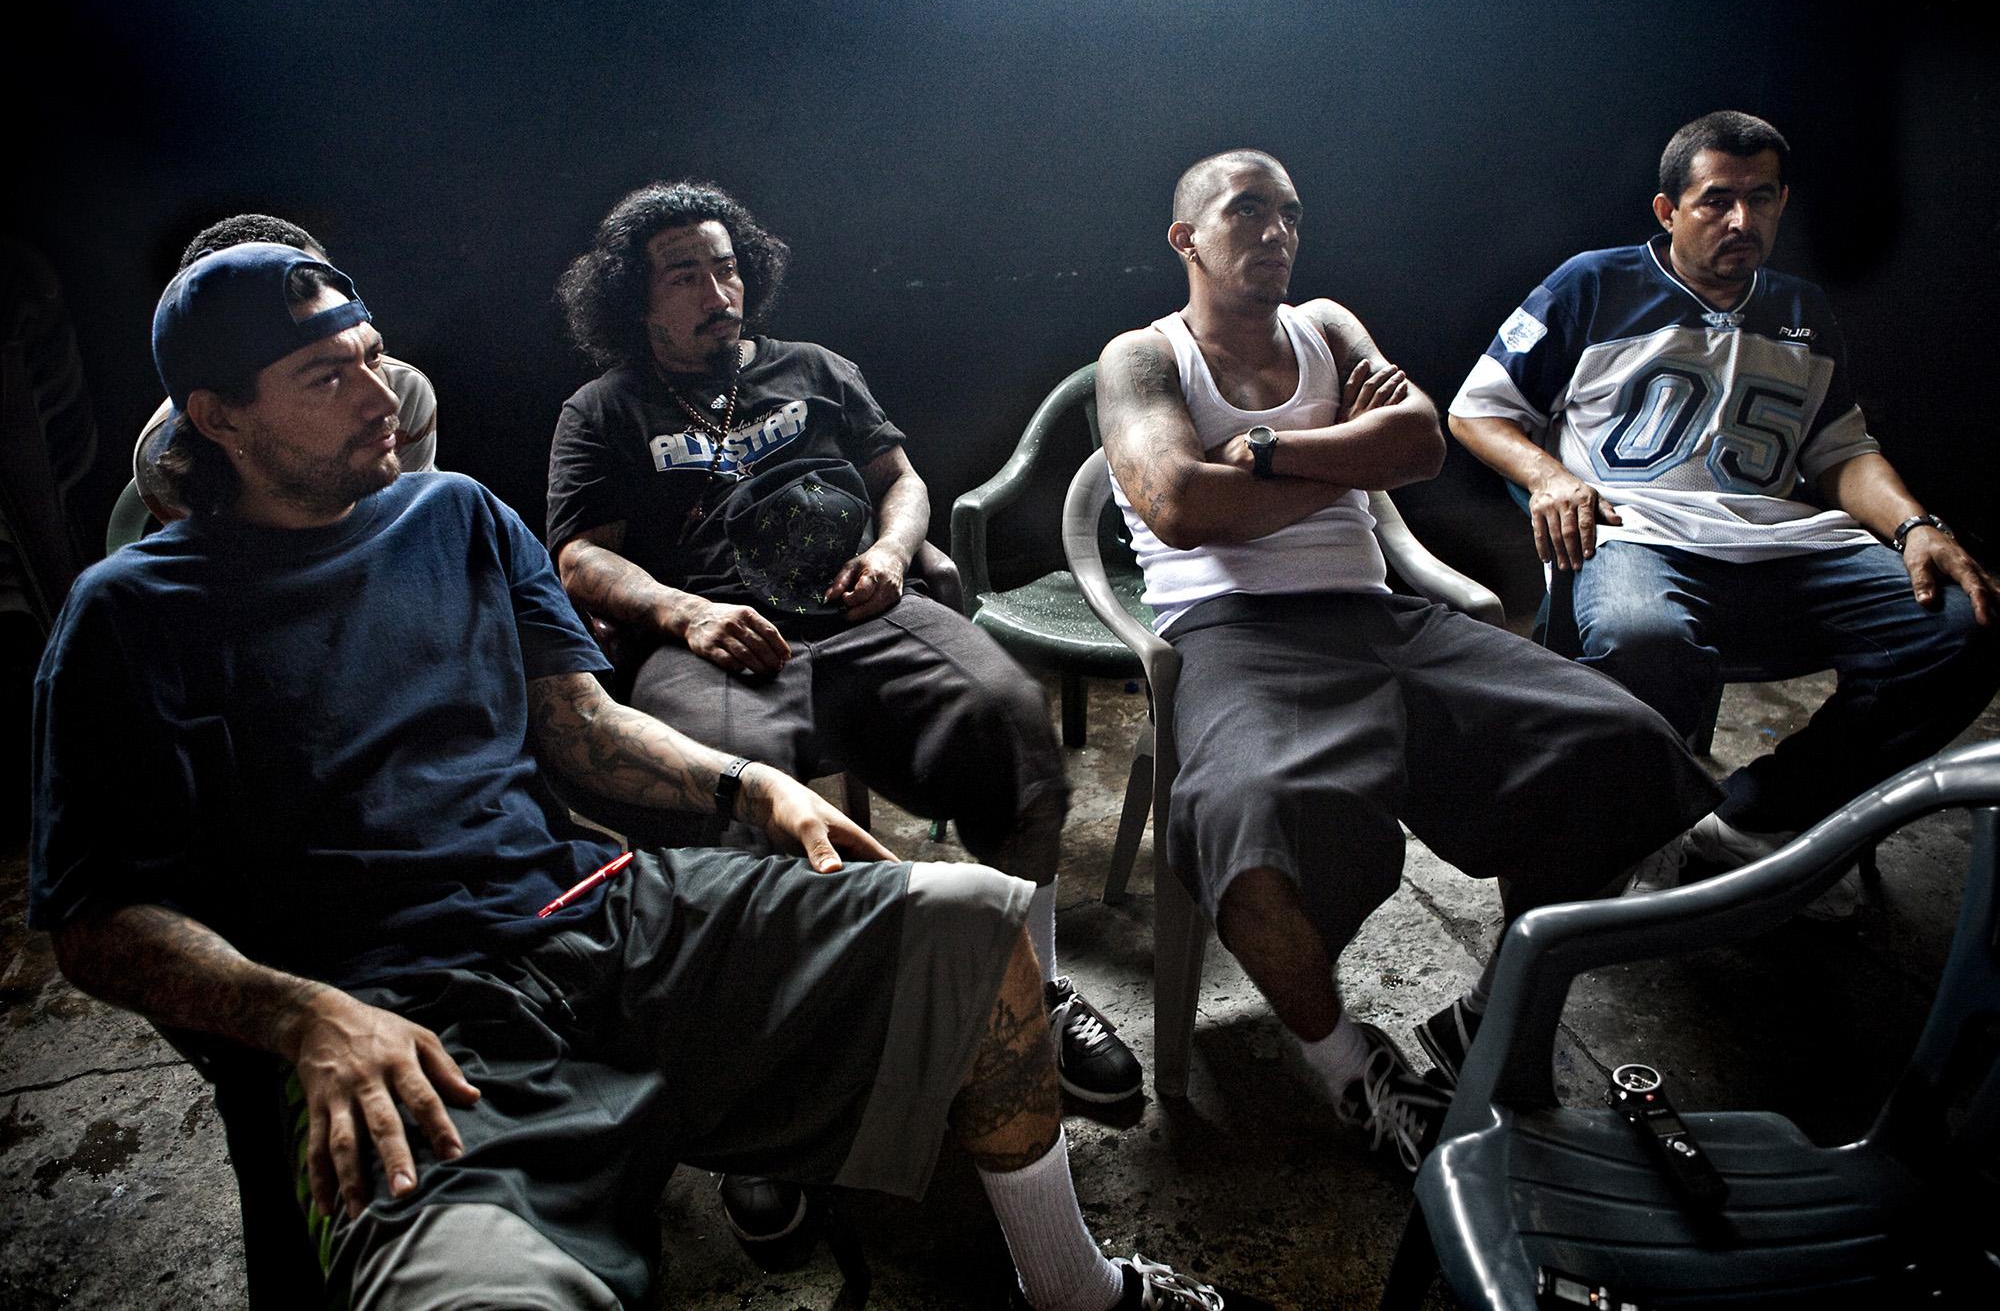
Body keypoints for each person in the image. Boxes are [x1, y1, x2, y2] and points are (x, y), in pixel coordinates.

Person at [29, 241, 1265, 1311]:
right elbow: (94, 923)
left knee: (971, 924)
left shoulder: (454, 514)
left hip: (592, 920)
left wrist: (748, 789)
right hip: (395, 1016)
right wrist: (297, 1015)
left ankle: (1072, 1288)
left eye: (369, 351)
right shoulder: (132, 614)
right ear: (217, 416)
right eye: (325, 374)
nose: (378, 392)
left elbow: (576, 723)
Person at [1095, 149, 1720, 1170]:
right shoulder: (1142, 357)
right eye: (1245, 211)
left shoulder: (1326, 325)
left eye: (1289, 214)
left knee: (1626, 742)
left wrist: (1260, 453)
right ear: (1185, 238)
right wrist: (1346, 450)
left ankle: (1492, 1009)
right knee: (1237, 833)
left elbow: (1422, 442)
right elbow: (1176, 503)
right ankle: (1351, 1067)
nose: (1274, 233)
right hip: (1236, 638)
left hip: (1379, 616)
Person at [545, 184, 1140, 1148]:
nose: (716, 287)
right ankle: (773, 1065)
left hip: (862, 610)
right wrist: (687, 612)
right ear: (634, 300)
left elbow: (899, 479)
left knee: (1007, 717)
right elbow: (580, 554)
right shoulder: (604, 410)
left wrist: (895, 554)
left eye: (726, 264)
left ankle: (1028, 982)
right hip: (720, 646)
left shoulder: (814, 368)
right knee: (726, 809)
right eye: (683, 273)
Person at [1448, 111, 2000, 914]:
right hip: (1639, 536)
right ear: (1668, 210)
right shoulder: (1593, 284)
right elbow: (1478, 411)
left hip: (1781, 549)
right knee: (1642, 638)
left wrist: (1918, 528)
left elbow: (1841, 453)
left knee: (1965, 624)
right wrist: (1548, 477)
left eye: (1762, 199)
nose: (1743, 221)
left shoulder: (1801, 308)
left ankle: (1751, 821)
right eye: (1717, 201)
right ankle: (1626, 839)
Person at [132, 214, 438, 522]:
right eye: (325, 378)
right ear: (217, 416)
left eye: (316, 281)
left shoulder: (407, 393)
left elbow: (403, 528)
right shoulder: (161, 454)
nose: (387, 401)